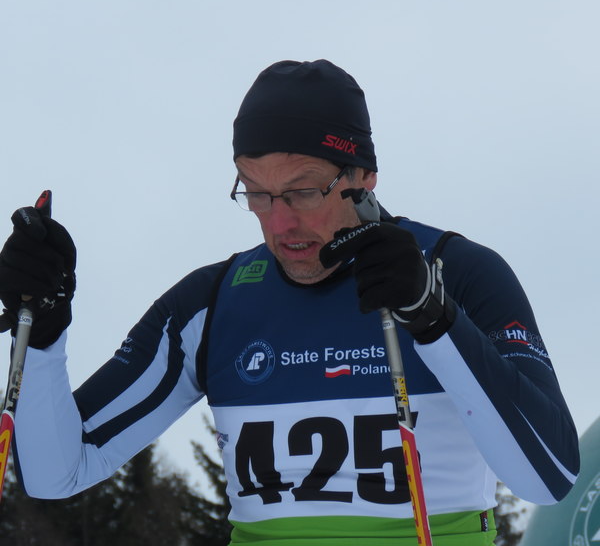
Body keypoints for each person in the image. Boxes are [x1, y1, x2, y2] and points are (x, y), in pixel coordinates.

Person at [0, 60, 579, 545]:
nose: (278, 224)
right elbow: (55, 474)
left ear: (363, 176)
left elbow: (548, 477)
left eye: (302, 191)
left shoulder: (460, 273)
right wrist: (44, 334)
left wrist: (432, 316)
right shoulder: (213, 303)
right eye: (256, 192)